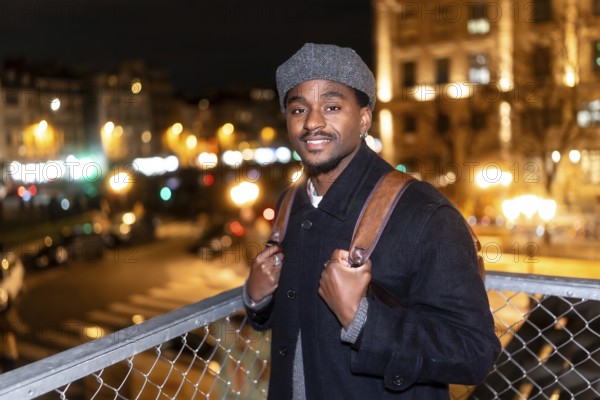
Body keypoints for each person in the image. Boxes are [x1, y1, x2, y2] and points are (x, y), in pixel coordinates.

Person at [243, 43, 501, 399]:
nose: (312, 122)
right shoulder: (291, 204)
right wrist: (258, 299)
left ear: (364, 118)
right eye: (298, 109)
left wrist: (362, 318)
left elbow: (475, 352)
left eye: (332, 107)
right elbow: (300, 322)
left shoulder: (422, 212)